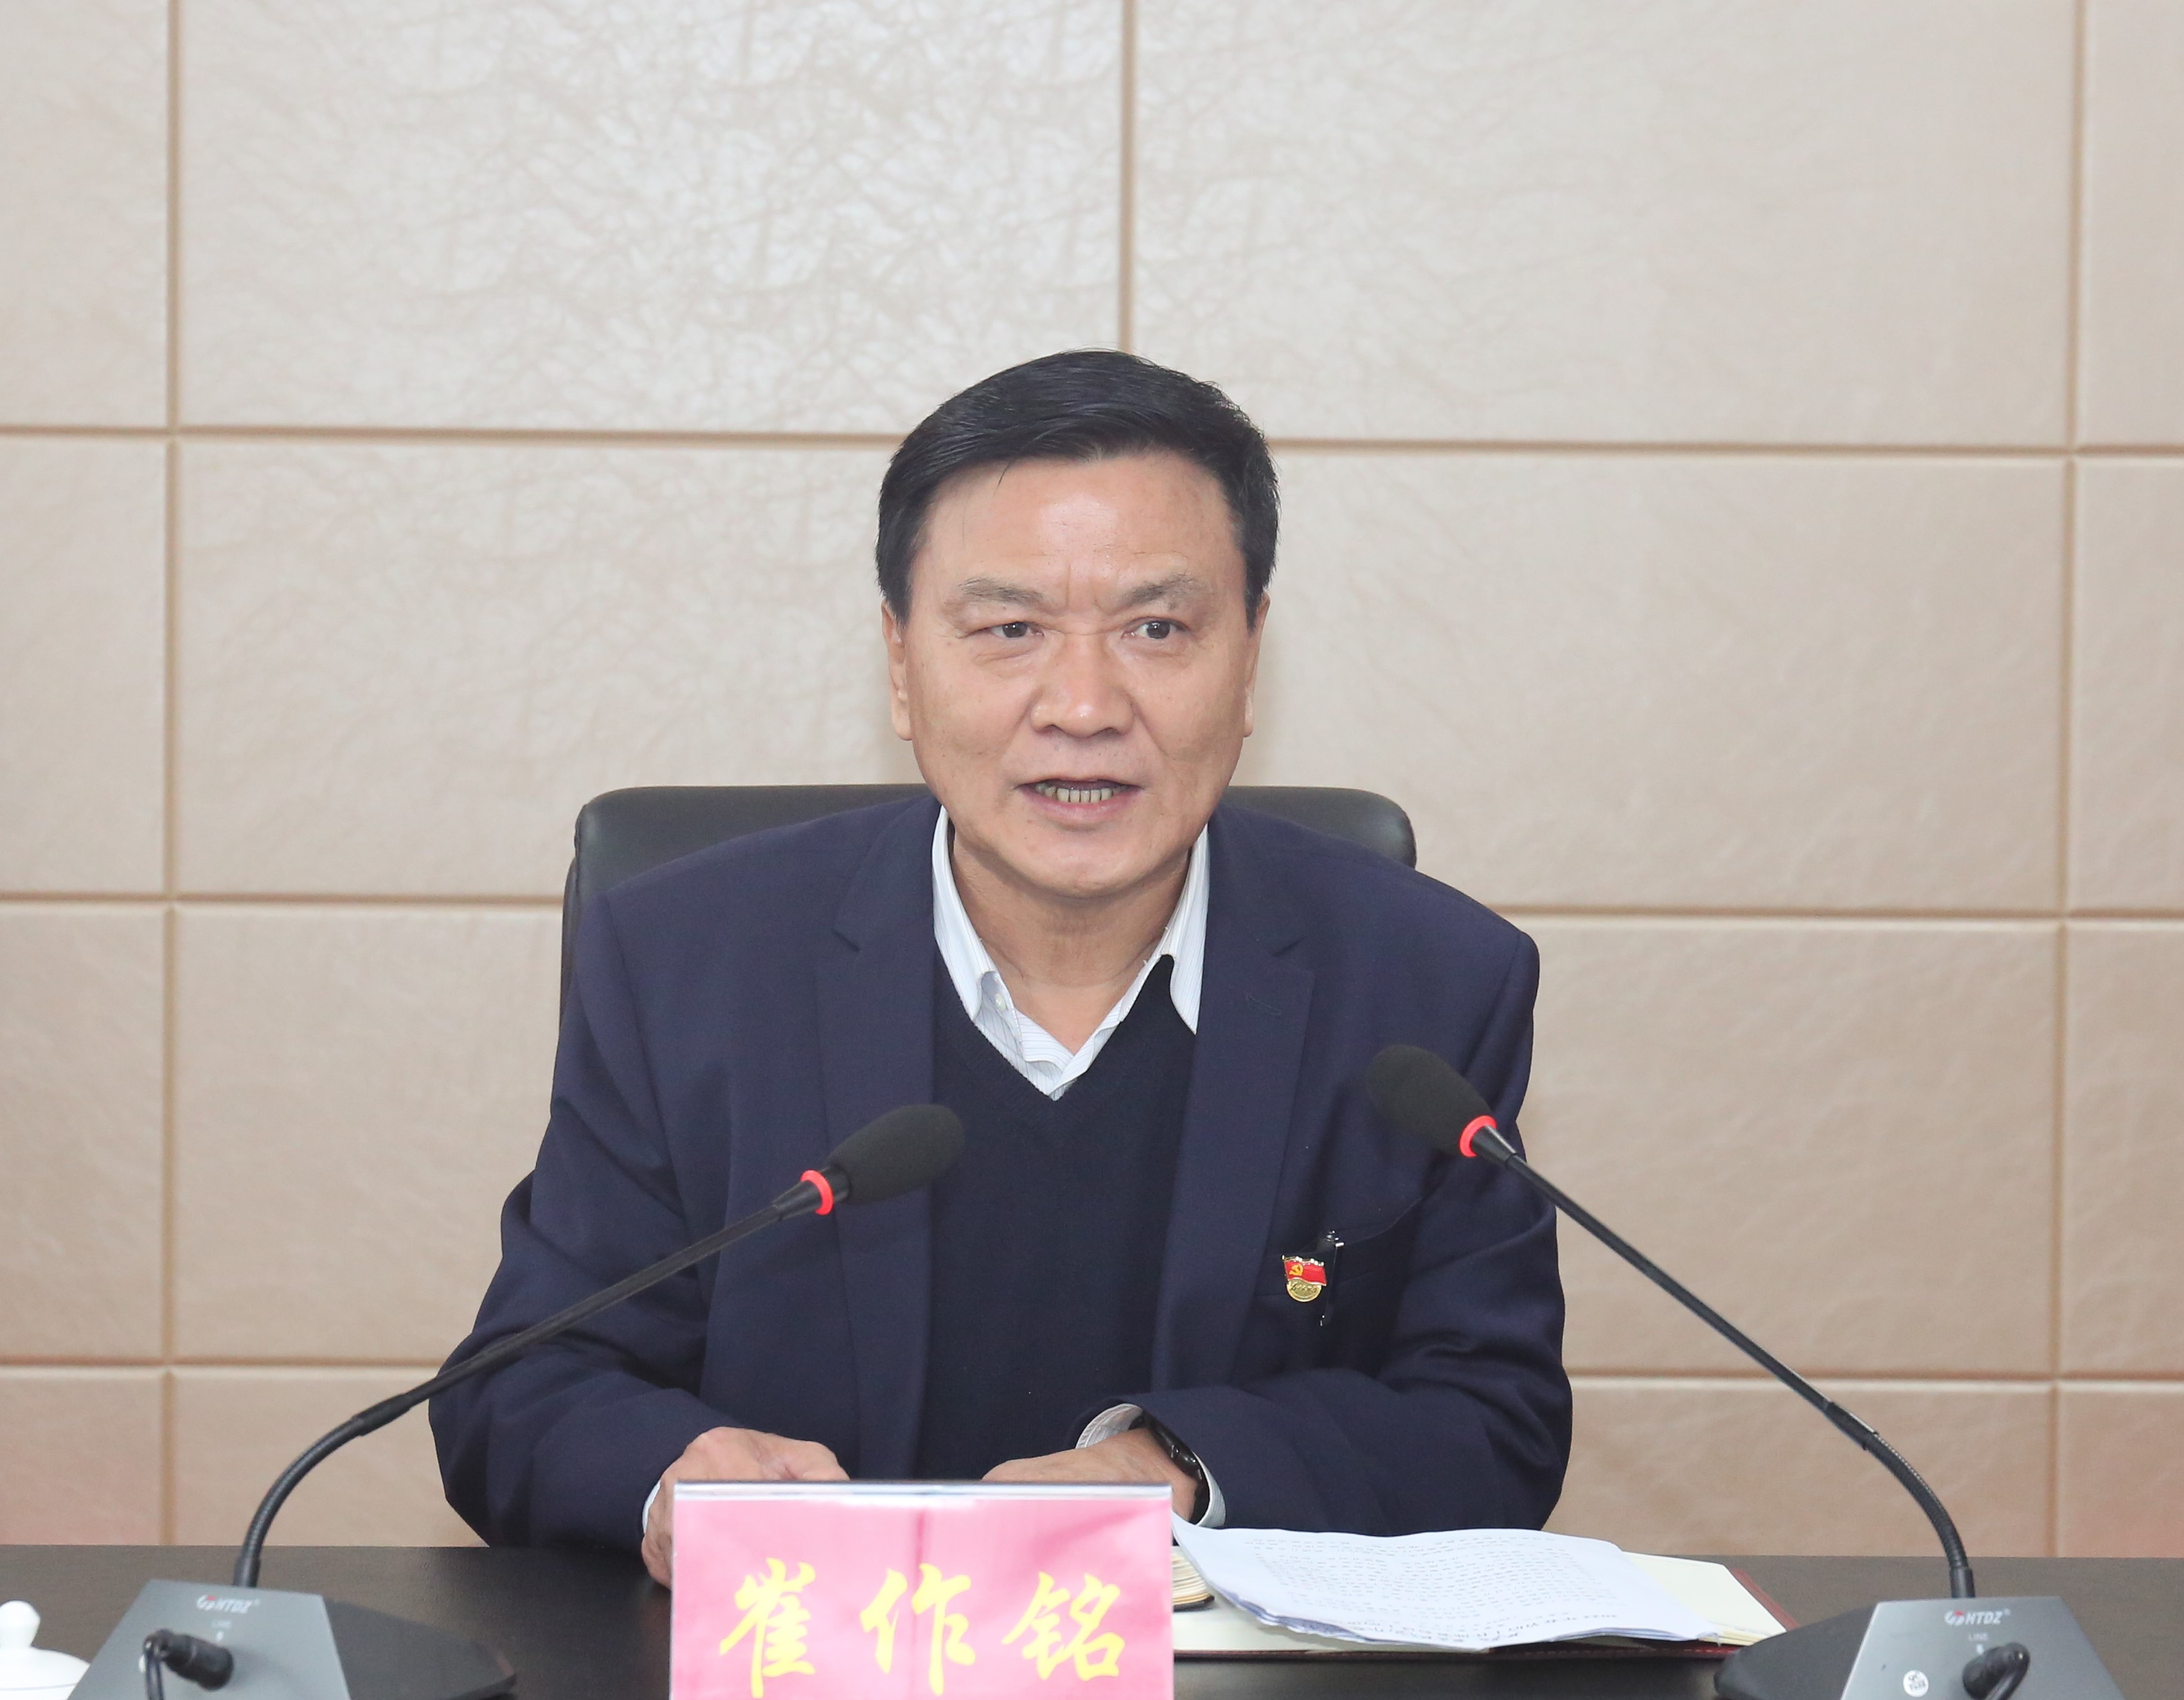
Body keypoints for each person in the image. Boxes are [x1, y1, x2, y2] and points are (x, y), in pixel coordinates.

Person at [431, 350, 1569, 1586]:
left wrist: (1188, 1469)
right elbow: (520, 1392)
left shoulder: (1425, 983)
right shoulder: (685, 963)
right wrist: (671, 1477)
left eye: (1155, 629)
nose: (1081, 705)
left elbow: (1488, 1421)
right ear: (901, 663)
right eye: (1008, 631)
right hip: (810, 1683)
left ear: (1248, 659)